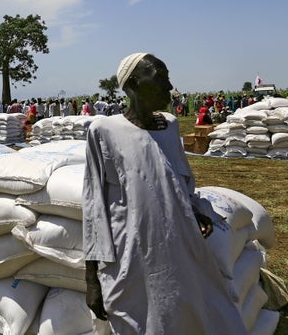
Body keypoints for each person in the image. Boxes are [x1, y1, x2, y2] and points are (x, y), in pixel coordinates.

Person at [83, 52, 245, 334]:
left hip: (179, 247)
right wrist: (91, 279)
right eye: (161, 79)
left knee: (196, 313)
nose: (169, 87)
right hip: (132, 256)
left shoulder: (168, 126)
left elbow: (179, 181)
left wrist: (194, 212)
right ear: (133, 83)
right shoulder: (103, 130)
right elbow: (94, 203)